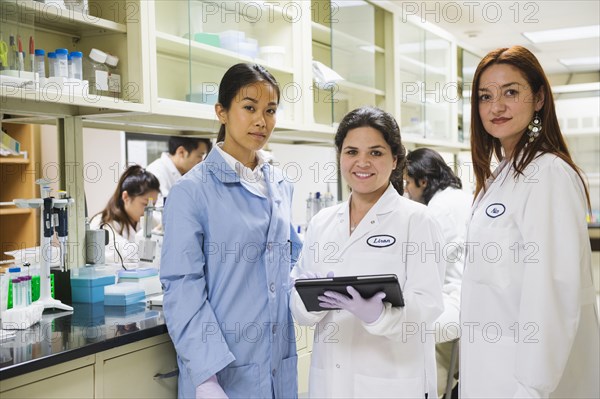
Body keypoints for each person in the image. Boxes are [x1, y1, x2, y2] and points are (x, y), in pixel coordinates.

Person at [461, 45, 599, 398]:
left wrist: (531, 389)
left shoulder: (547, 173)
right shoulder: (501, 178)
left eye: (511, 92)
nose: (496, 106)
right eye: (485, 96)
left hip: (527, 382)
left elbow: (553, 291)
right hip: (492, 369)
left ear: (538, 98)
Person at [160, 63, 302, 399]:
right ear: (221, 112)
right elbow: (182, 287)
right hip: (223, 369)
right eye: (249, 107)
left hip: (277, 361)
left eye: (270, 110)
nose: (261, 121)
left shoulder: (281, 184)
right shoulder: (192, 191)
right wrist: (206, 376)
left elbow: (291, 258)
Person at [290, 106, 444, 398]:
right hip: (330, 382)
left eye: (375, 152)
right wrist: (307, 300)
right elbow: (298, 304)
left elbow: (429, 305)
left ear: (395, 159)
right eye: (351, 152)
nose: (362, 162)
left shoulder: (416, 220)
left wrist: (378, 316)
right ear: (339, 156)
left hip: (391, 380)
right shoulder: (322, 222)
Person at [405, 148, 472, 396]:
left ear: (423, 181)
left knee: (406, 328)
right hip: (470, 298)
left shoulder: (436, 210)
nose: (406, 191)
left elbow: (422, 264)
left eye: (408, 183)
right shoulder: (460, 197)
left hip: (454, 301)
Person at [89, 165, 160, 265]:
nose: (150, 210)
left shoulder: (153, 221)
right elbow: (126, 255)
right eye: (145, 204)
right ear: (126, 197)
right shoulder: (103, 224)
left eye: (154, 204)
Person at [146, 136, 212, 207]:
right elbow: (157, 212)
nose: (201, 161)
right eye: (199, 156)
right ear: (181, 152)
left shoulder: (187, 173)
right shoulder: (156, 172)